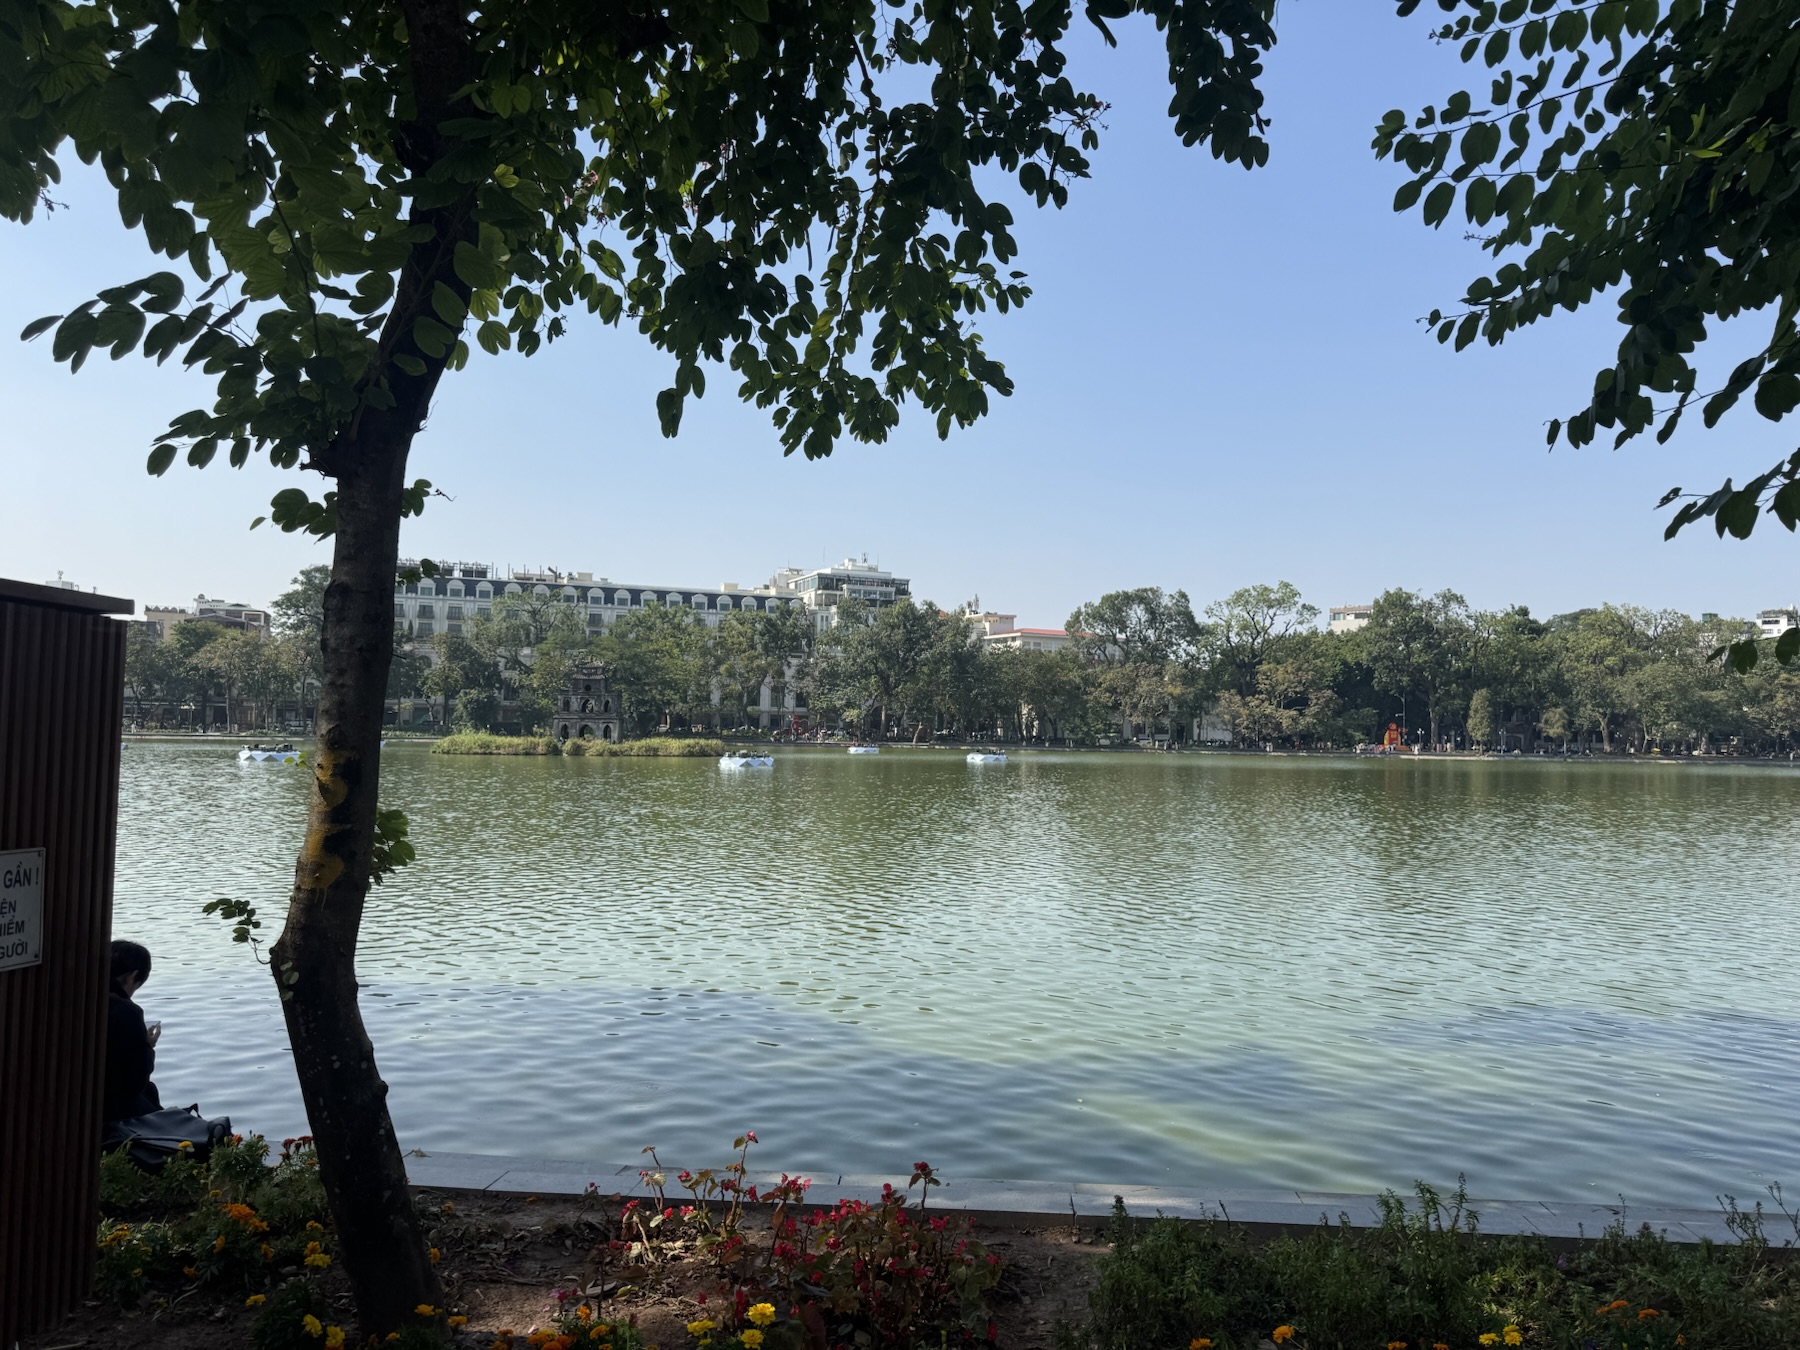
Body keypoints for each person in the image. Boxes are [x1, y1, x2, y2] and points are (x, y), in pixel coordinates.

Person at [104, 939, 162, 1123]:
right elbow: (135, 1080)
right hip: (108, 1107)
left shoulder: (76, 995)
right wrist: (147, 1046)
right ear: (132, 976)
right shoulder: (127, 1011)